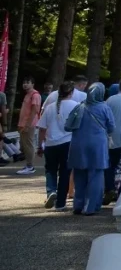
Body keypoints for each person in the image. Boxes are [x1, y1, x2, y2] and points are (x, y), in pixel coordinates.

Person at [66, 82, 114, 216]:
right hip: (97, 145)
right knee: (95, 176)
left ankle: (78, 205)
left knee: (79, 175)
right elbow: (111, 127)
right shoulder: (104, 108)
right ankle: (91, 206)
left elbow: (69, 125)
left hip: (78, 145)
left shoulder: (79, 106)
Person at [38, 82, 78, 210]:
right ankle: (61, 203)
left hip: (51, 143)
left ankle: (51, 191)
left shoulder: (50, 107)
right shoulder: (76, 106)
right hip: (68, 143)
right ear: (71, 93)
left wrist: (40, 145)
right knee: (65, 173)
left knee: (50, 170)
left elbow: (42, 128)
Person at [17, 78, 43, 175]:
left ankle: (30, 166)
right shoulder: (28, 95)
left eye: (27, 82)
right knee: (24, 144)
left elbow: (35, 110)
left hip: (29, 124)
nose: (25, 84)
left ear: (32, 84)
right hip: (23, 123)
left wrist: (28, 124)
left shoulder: (35, 95)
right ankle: (28, 165)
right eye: (24, 82)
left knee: (28, 145)